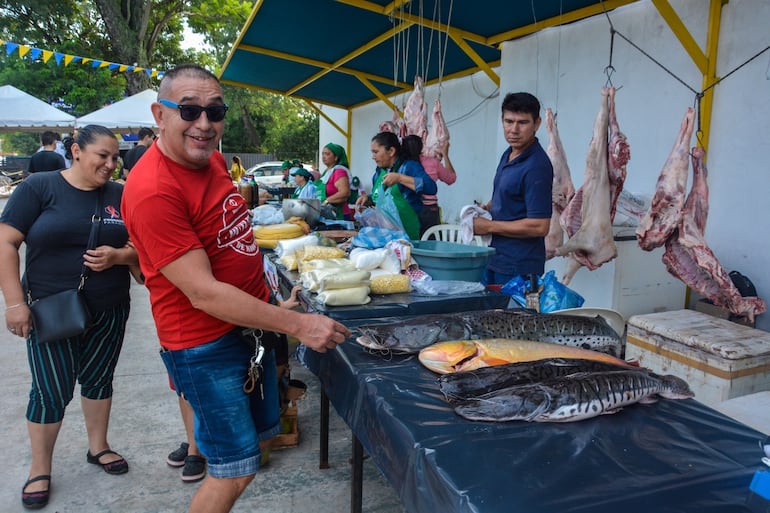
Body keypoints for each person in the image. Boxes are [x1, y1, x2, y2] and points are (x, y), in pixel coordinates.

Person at [121, 64, 350, 513]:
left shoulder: (213, 162)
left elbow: (233, 245)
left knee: (258, 445)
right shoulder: (153, 189)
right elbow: (204, 292)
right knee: (235, 466)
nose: (204, 123)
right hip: (204, 345)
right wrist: (297, 324)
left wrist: (272, 303)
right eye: (189, 110)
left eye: (215, 110)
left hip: (247, 328)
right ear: (159, 114)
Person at [0, 124, 139, 509]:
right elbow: (6, 242)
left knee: (99, 379)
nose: (111, 165)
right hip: (51, 309)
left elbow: (139, 249)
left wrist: (120, 256)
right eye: (103, 156)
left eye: (116, 158)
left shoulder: (119, 195)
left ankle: (98, 448)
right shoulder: (39, 187)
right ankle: (40, 467)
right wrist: (15, 303)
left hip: (110, 306)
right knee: (50, 389)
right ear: (76, 151)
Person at [473, 92, 553, 286]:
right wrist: (489, 208)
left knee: (512, 317)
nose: (514, 129)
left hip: (519, 268)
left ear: (537, 123)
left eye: (522, 122)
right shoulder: (509, 153)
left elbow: (540, 225)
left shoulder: (537, 166)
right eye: (509, 121)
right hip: (495, 259)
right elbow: (508, 194)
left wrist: (488, 226)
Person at [355, 133, 437, 240]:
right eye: (372, 152)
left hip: (409, 232)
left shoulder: (408, 167)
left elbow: (431, 188)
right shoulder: (379, 172)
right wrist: (368, 199)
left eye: (376, 152)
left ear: (391, 151)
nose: (373, 157)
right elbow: (382, 197)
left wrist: (400, 178)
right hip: (387, 233)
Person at [419, 139, 457, 235]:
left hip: (410, 207)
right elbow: (451, 178)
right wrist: (445, 154)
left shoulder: (405, 163)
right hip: (429, 210)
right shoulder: (433, 163)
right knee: (431, 243)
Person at [317, 143, 353, 220]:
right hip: (328, 213)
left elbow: (345, 193)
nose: (323, 157)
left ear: (336, 157)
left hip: (339, 215)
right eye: (322, 154)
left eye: (327, 154)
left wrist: (327, 201)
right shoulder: (326, 173)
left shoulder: (339, 171)